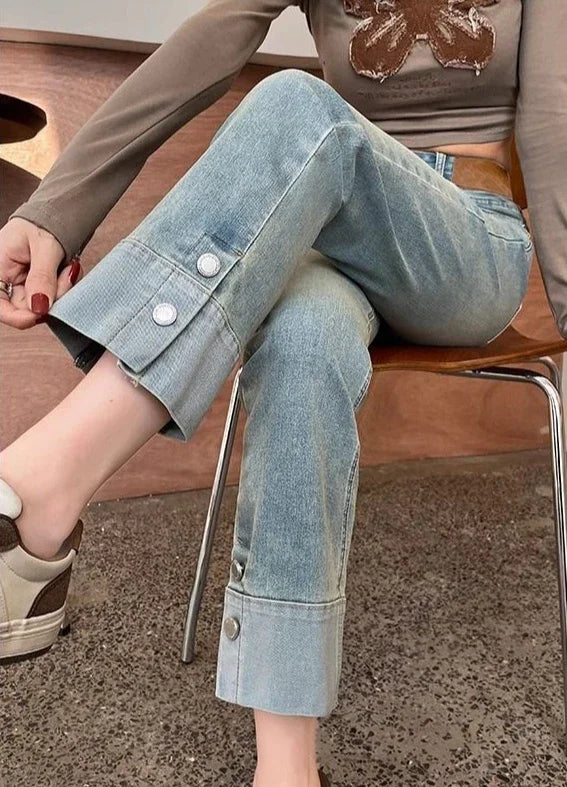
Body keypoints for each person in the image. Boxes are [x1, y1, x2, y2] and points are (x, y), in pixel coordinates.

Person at [0, 2, 565, 785]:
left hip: (465, 242)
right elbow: (207, 45)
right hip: (327, 225)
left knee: (299, 105)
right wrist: (54, 214)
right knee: (302, 334)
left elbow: (554, 124)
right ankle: (286, 765)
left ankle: (37, 494)